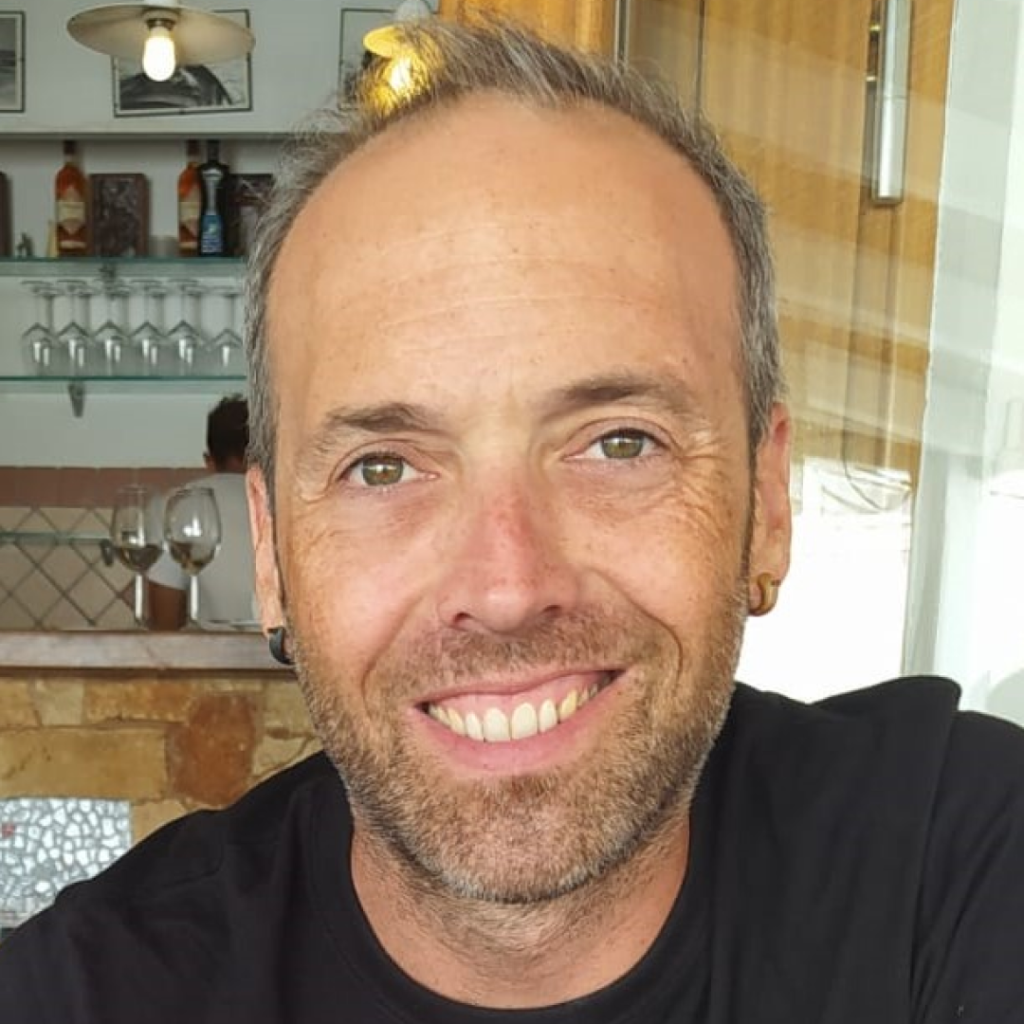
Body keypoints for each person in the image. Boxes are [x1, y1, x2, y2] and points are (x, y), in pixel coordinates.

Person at [2, 20, 1023, 1022]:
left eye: (619, 443)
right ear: (270, 554)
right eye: (383, 466)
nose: (505, 587)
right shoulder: (84, 992)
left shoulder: (966, 866)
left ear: (766, 501)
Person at [148, 394, 257, 629]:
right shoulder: (296, 504)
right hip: (284, 651)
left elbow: (165, 625)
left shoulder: (174, 505)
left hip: (214, 649)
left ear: (209, 461)